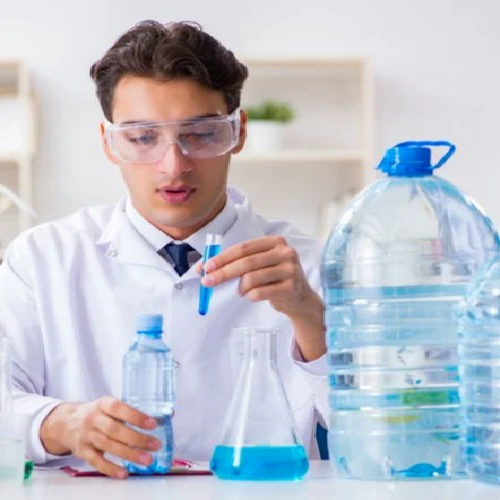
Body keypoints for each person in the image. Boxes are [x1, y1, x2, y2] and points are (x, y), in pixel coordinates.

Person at [0, 20, 328, 479]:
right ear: (109, 143)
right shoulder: (42, 260)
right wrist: (58, 423)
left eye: (201, 134)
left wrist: (313, 320)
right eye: (142, 138)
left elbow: (386, 435)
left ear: (238, 132)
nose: (173, 165)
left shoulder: (310, 265)